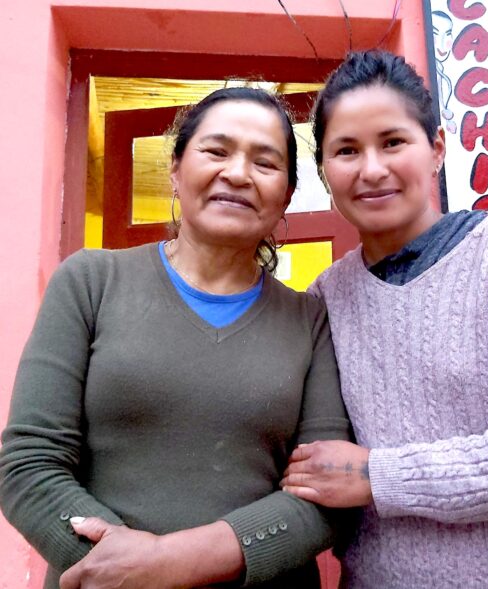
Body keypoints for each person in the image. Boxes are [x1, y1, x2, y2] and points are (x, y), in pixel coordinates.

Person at [0, 87, 351, 589]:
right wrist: (119, 568)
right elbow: (29, 466)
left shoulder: (308, 320)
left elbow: (325, 493)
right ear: (176, 167)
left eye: (265, 162)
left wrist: (172, 562)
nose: (237, 173)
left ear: (287, 194)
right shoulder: (91, 282)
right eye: (216, 150)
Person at [281, 50, 488, 588]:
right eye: (346, 151)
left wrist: (378, 476)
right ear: (324, 172)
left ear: (436, 149)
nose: (372, 168)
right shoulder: (325, 299)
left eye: (393, 142)